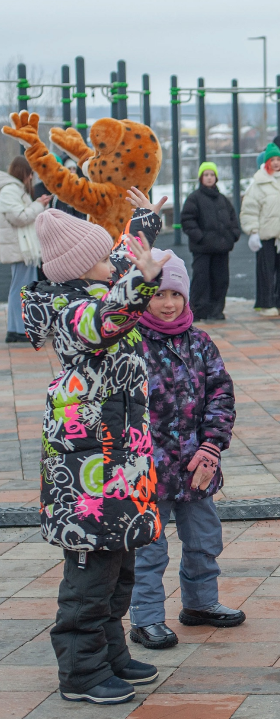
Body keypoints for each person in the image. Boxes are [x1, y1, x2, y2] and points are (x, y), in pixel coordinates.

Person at [22, 207, 167, 705]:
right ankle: (80, 671)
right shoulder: (70, 312)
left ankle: (110, 651)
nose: (116, 262)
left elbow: (125, 259)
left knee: (120, 560)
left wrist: (144, 219)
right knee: (91, 568)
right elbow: (109, 317)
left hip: (120, 455)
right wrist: (143, 281)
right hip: (84, 464)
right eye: (105, 258)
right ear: (82, 267)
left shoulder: (99, 285)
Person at [129, 249, 242, 651]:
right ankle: (145, 618)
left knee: (204, 538)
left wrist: (211, 447)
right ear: (142, 296)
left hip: (197, 466)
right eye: (159, 294)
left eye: (175, 294)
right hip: (147, 470)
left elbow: (221, 395)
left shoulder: (200, 342)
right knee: (148, 547)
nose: (168, 303)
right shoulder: (131, 344)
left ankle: (200, 603)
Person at [240, 143, 280, 317]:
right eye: (272, 160)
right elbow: (250, 209)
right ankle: (266, 303)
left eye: (278, 159)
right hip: (266, 234)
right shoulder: (258, 184)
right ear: (267, 162)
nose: (276, 163)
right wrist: (253, 231)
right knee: (266, 271)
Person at [180, 161, 241, 321]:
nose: (209, 178)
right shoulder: (194, 198)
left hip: (221, 248)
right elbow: (187, 220)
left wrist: (233, 235)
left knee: (221, 280)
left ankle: (216, 310)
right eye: (206, 175)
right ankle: (198, 311)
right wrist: (200, 237)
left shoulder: (222, 199)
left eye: (211, 175)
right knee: (201, 280)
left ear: (216, 178)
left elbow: (233, 218)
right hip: (203, 249)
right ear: (201, 178)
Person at [1, 156, 49, 343]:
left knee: (22, 287)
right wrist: (38, 205)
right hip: (21, 248)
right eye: (31, 173)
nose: (32, 178)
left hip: (22, 248)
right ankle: (17, 330)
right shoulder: (10, 190)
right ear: (25, 172)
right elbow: (20, 217)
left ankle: (19, 328)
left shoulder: (12, 189)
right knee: (21, 288)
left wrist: (37, 203)